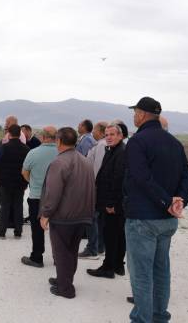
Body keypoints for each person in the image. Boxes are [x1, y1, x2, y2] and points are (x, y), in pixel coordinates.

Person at [124, 97, 188, 322]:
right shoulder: (174, 142)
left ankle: (142, 319)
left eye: (135, 112)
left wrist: (167, 202)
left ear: (143, 115)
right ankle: (159, 316)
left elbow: (141, 178)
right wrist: (179, 201)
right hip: (167, 221)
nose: (133, 116)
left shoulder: (137, 142)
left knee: (141, 274)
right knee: (161, 270)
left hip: (143, 219)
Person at [40, 127, 95, 299]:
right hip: (82, 214)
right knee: (71, 251)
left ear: (59, 141)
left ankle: (66, 289)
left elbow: (53, 192)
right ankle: (64, 280)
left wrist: (45, 214)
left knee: (61, 252)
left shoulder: (59, 162)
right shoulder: (85, 160)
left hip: (64, 216)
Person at [87, 123, 127, 278]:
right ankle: (117, 265)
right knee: (116, 234)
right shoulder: (112, 150)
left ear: (120, 136)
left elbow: (117, 180)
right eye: (106, 134)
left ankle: (108, 267)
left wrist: (111, 204)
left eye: (112, 134)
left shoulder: (121, 152)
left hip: (113, 204)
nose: (109, 137)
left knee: (111, 235)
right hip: (112, 202)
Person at [20, 126, 58, 268]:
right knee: (58, 230)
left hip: (36, 196)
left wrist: (34, 182)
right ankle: (58, 258)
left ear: (43, 137)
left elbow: (24, 172)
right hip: (58, 197)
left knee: (37, 229)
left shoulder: (33, 153)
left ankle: (37, 257)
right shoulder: (61, 153)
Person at [0, 124, 30, 239]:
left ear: (9, 134)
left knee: (5, 206)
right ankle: (18, 231)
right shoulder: (26, 149)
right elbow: (27, 166)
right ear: (20, 134)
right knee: (18, 206)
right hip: (20, 182)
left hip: (5, 181)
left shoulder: (4, 147)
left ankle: (2, 231)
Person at [79, 121, 109, 259]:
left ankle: (92, 248)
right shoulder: (100, 144)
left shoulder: (102, 145)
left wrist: (91, 185)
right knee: (99, 217)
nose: (94, 132)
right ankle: (100, 246)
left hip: (95, 186)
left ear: (101, 131)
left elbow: (97, 168)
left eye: (96, 130)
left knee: (92, 216)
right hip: (97, 186)